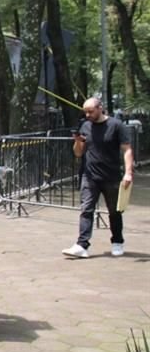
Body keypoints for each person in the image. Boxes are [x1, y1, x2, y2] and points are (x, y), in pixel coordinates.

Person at [63, 97, 134, 259]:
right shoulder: (85, 126)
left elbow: (127, 150)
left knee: (114, 212)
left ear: (100, 108)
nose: (87, 115)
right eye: (85, 112)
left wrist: (128, 172)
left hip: (111, 176)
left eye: (90, 111)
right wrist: (78, 142)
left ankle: (117, 241)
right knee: (86, 209)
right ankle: (82, 245)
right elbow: (78, 153)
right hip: (89, 176)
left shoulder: (116, 125)